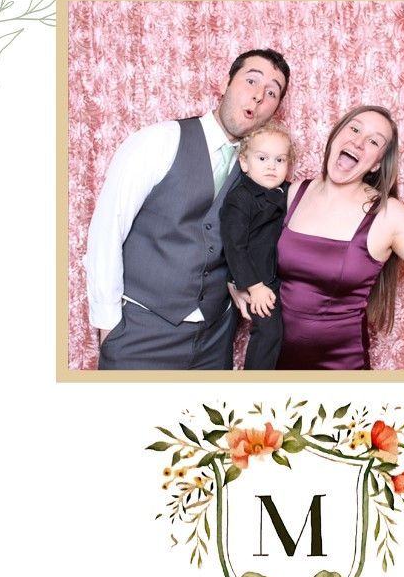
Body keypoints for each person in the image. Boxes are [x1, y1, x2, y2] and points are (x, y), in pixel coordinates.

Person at [85, 49, 290, 371]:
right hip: (141, 332)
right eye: (251, 80)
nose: (258, 95)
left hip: (214, 340)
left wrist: (238, 283)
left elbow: (246, 238)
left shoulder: (260, 168)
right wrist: (109, 329)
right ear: (225, 82)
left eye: (272, 92)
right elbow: (106, 233)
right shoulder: (157, 141)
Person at [276, 104, 404, 371]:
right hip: (275, 362)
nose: (358, 142)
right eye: (354, 129)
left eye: (373, 141)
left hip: (340, 367)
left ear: (376, 163)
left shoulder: (388, 214)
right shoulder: (296, 192)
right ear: (335, 135)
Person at [220, 123, 293, 370]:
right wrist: (255, 286)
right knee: (269, 332)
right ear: (244, 163)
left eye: (280, 160)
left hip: (280, 276)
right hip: (256, 280)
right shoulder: (240, 199)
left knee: (287, 334)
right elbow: (234, 247)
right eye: (262, 158)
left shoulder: (287, 191)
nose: (271, 166)